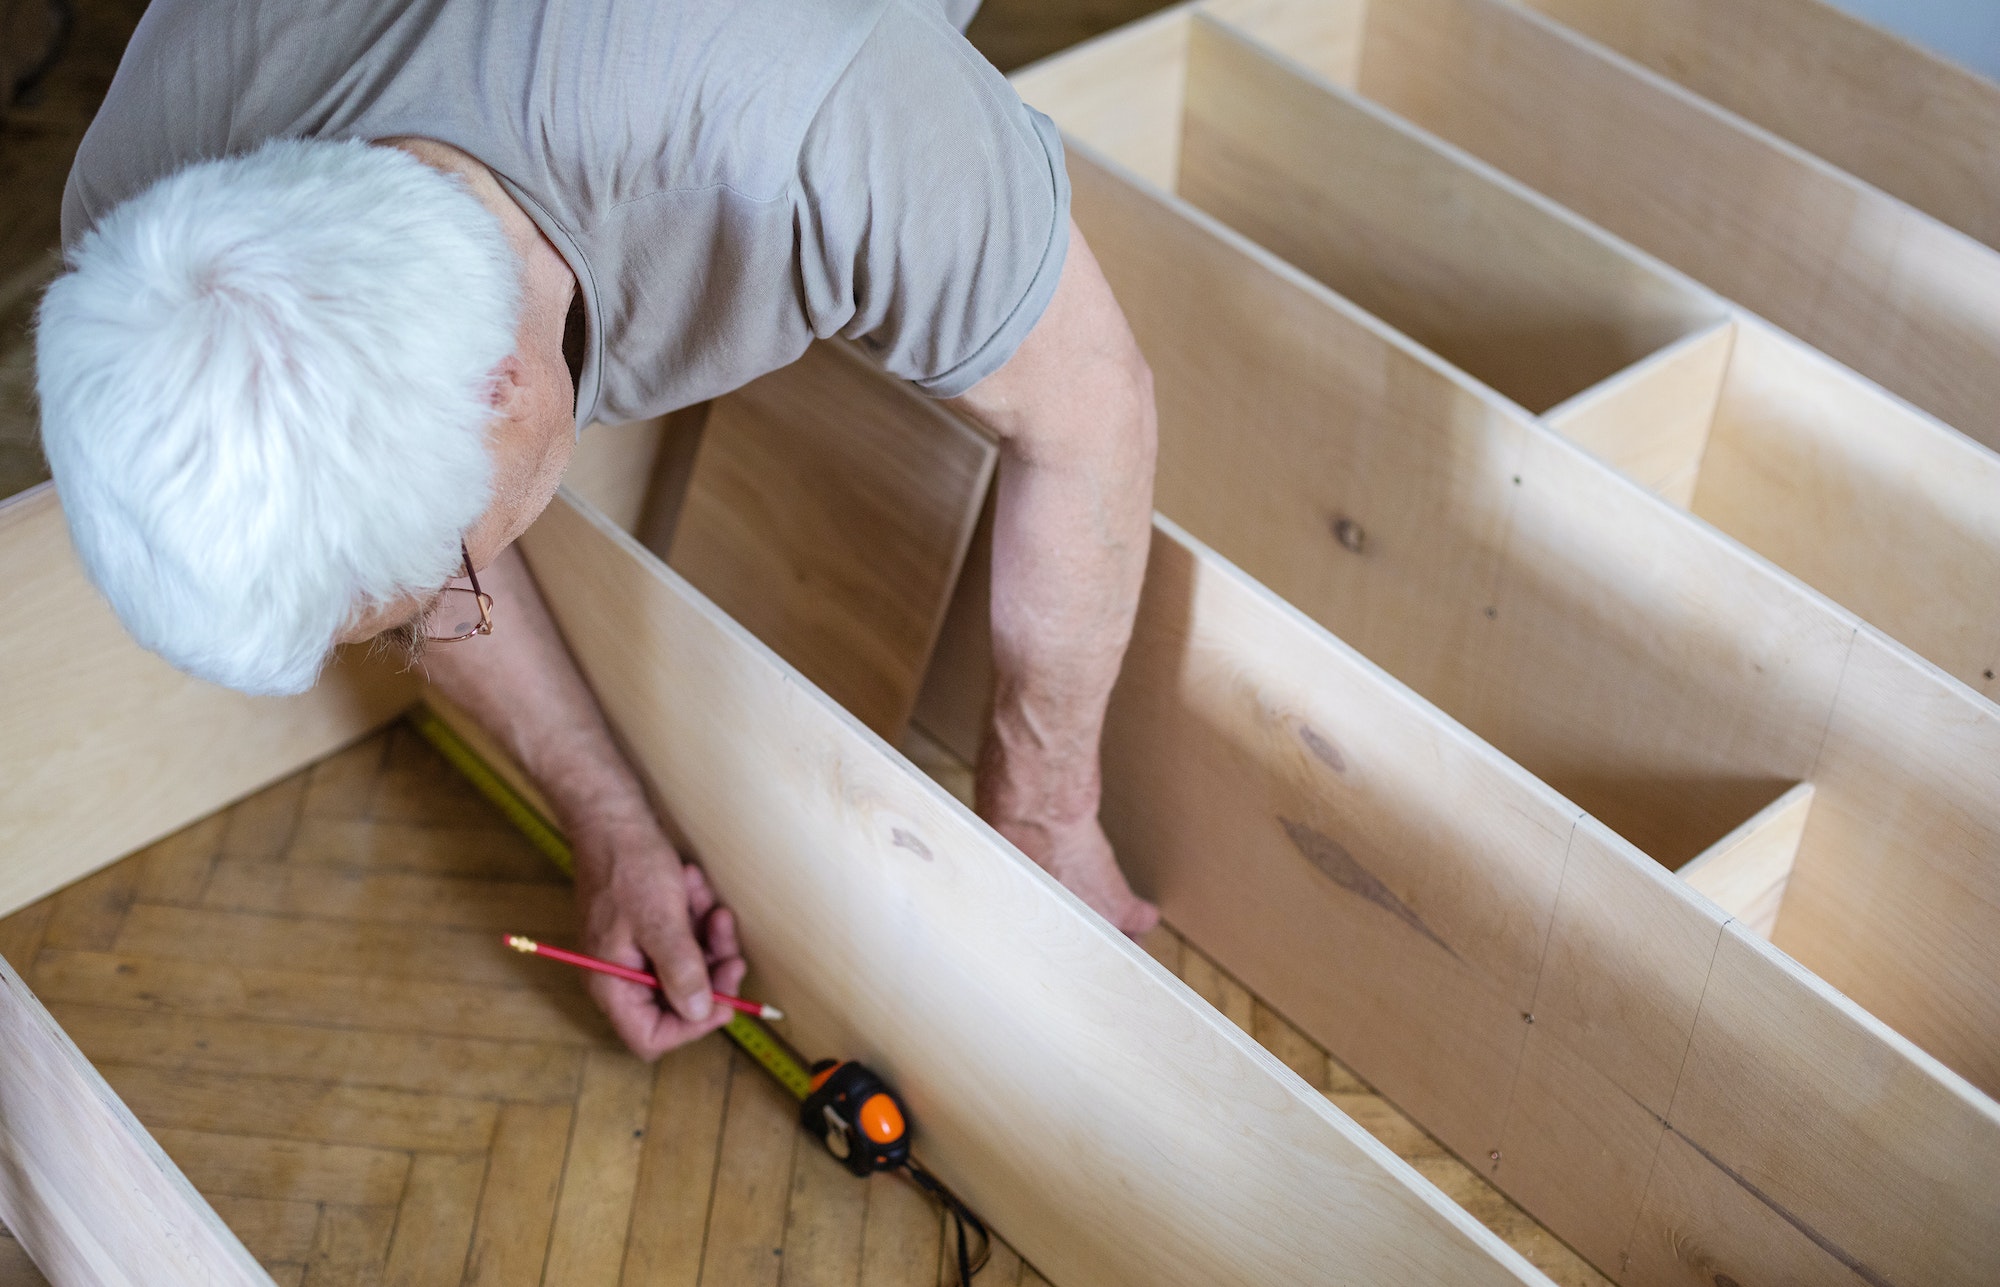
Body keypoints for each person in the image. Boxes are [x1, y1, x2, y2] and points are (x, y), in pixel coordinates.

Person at [34, 0, 1159, 1061]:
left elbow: (1089, 412)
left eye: (436, 596)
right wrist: (606, 812)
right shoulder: (141, 246)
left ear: (503, 390)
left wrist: (1043, 816)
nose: (441, 616)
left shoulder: (817, 129)